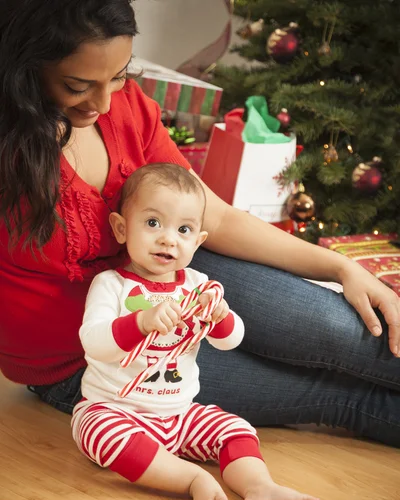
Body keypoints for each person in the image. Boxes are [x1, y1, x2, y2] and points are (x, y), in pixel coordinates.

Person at [0, 0, 399, 449]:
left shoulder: (127, 108)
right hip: (91, 363)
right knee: (337, 396)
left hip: (173, 274)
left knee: (343, 330)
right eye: (78, 86)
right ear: (23, 67)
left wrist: (342, 269)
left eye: (118, 76)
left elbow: (219, 216)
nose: (104, 102)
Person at [72, 163, 322, 500]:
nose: (168, 239)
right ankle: (190, 478)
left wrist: (219, 317)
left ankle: (259, 488)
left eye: (184, 229)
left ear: (198, 241)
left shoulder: (197, 285)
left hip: (179, 414)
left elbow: (232, 339)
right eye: (153, 223)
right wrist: (140, 322)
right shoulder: (112, 285)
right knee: (95, 432)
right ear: (121, 228)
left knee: (235, 428)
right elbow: (93, 342)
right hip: (117, 409)